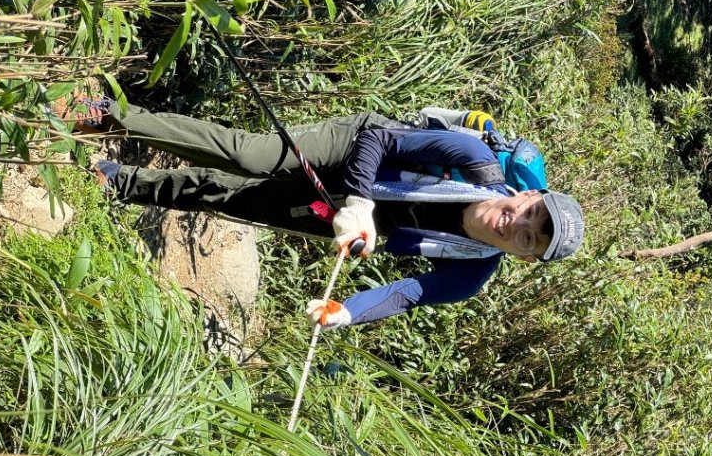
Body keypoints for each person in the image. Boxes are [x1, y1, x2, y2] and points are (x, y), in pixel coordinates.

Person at [78, 98, 584, 328]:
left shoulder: (472, 272)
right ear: (528, 196)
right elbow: (379, 138)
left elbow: (407, 294)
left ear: (521, 258)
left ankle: (120, 181)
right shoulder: (473, 161)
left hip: (364, 219)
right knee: (249, 157)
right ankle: (114, 116)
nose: (519, 225)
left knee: (234, 197)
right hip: (357, 152)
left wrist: (345, 313)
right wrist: (360, 201)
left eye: (529, 239)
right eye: (532, 214)